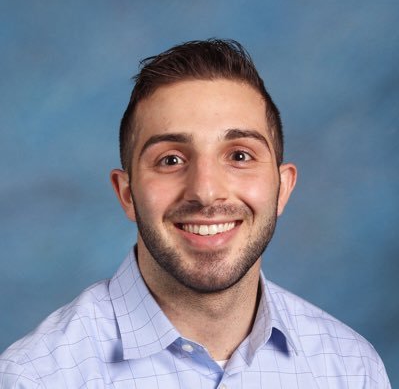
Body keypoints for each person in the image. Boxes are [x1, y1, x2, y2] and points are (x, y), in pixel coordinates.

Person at [0, 39, 391, 388]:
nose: (206, 191)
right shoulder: (36, 377)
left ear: (282, 188)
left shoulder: (349, 368)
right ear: (127, 194)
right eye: (170, 160)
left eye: (240, 156)